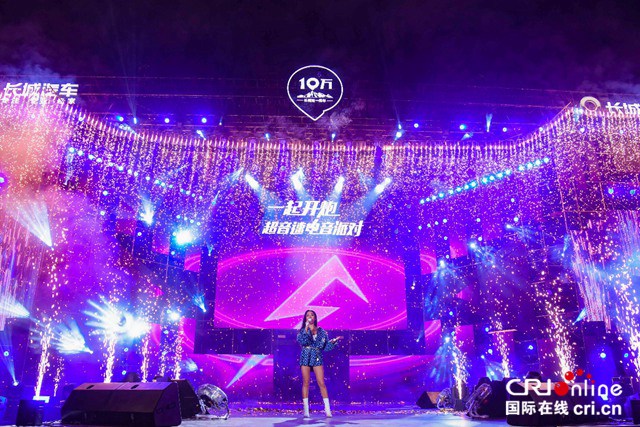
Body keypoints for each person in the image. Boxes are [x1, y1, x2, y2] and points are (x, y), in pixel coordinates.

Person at [296, 309, 343, 418]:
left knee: (321, 382)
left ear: (315, 317)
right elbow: (302, 341)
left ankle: (328, 410)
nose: (310, 316)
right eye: (308, 315)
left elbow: (325, 347)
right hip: (305, 356)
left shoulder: (321, 331)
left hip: (317, 356)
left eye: (312, 315)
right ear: (305, 318)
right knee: (306, 382)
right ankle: (306, 410)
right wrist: (306, 329)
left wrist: (334, 341)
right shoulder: (302, 331)